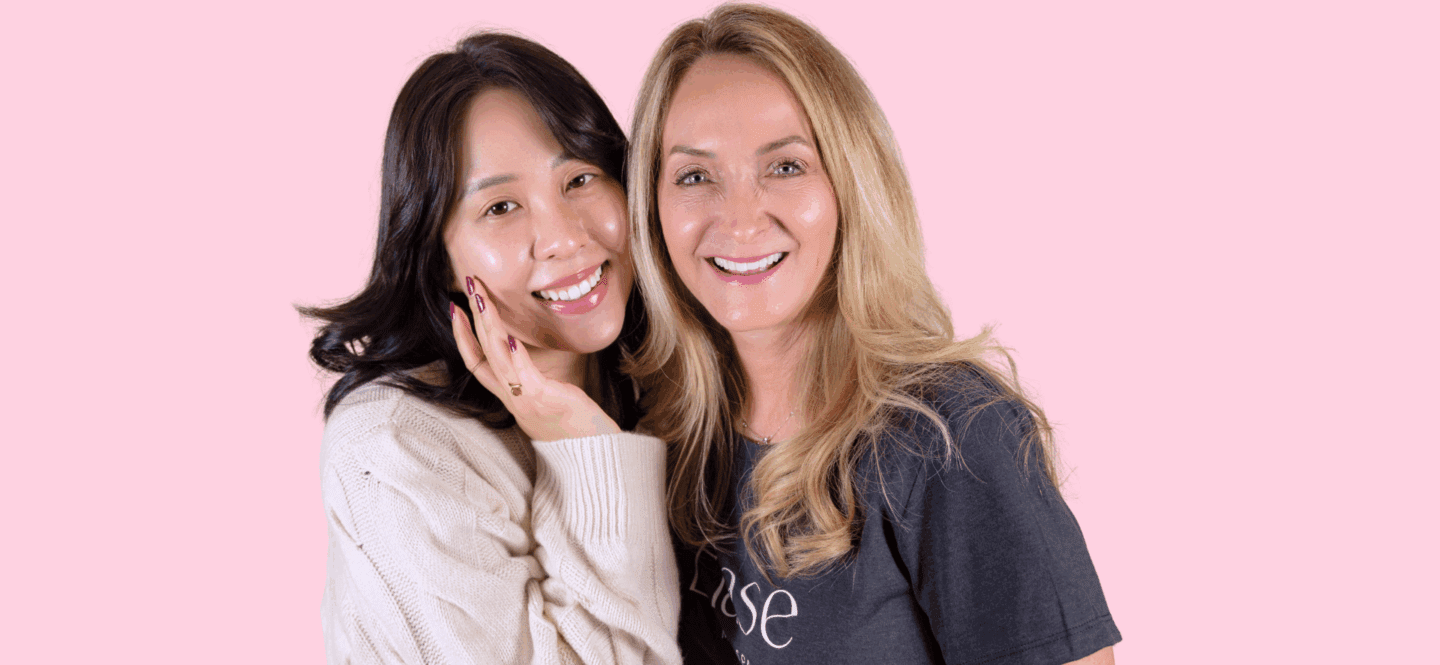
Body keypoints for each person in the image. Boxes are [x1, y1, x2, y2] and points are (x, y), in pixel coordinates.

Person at [625, 5, 1121, 664]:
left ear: (849, 183)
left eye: (786, 166)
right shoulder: (665, 436)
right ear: (652, 207)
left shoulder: (952, 436)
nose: (739, 215)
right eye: (694, 176)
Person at [301, 32, 680, 665]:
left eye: (580, 178)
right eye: (501, 207)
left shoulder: (667, 383)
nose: (562, 238)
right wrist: (580, 449)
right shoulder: (396, 445)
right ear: (439, 255)